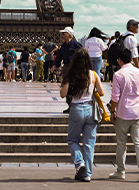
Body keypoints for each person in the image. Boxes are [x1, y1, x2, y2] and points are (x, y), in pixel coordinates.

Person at [60, 48, 102, 182]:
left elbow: (63, 94)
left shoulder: (70, 74)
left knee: (72, 140)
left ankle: (79, 163)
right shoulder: (93, 74)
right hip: (90, 109)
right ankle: (88, 174)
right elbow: (101, 92)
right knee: (89, 143)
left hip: (76, 109)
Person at [108, 46, 139, 182]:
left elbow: (115, 97)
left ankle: (121, 171)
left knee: (121, 143)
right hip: (138, 112)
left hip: (123, 113)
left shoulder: (118, 75)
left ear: (119, 60)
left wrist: (112, 112)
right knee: (138, 142)